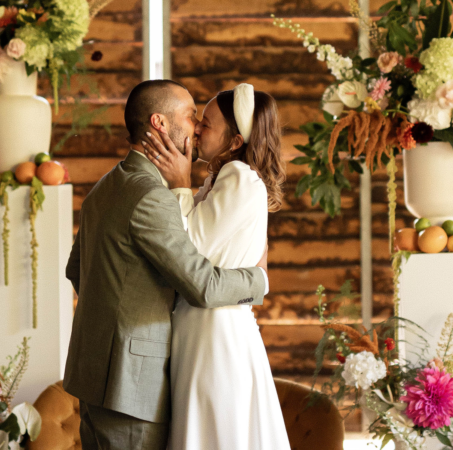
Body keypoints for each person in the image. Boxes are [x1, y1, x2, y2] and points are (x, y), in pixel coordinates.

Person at [63, 79, 270, 450]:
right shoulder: (151, 196)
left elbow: (76, 271)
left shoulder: (105, 186)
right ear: (160, 124)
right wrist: (258, 280)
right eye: (192, 117)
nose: (198, 127)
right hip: (130, 385)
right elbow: (203, 286)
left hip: (92, 376)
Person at [142, 84, 290, 449]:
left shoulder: (240, 178)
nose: (195, 129)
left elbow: (190, 248)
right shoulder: (222, 178)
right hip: (203, 327)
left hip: (216, 334)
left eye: (205, 124)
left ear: (235, 140)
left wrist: (179, 184)